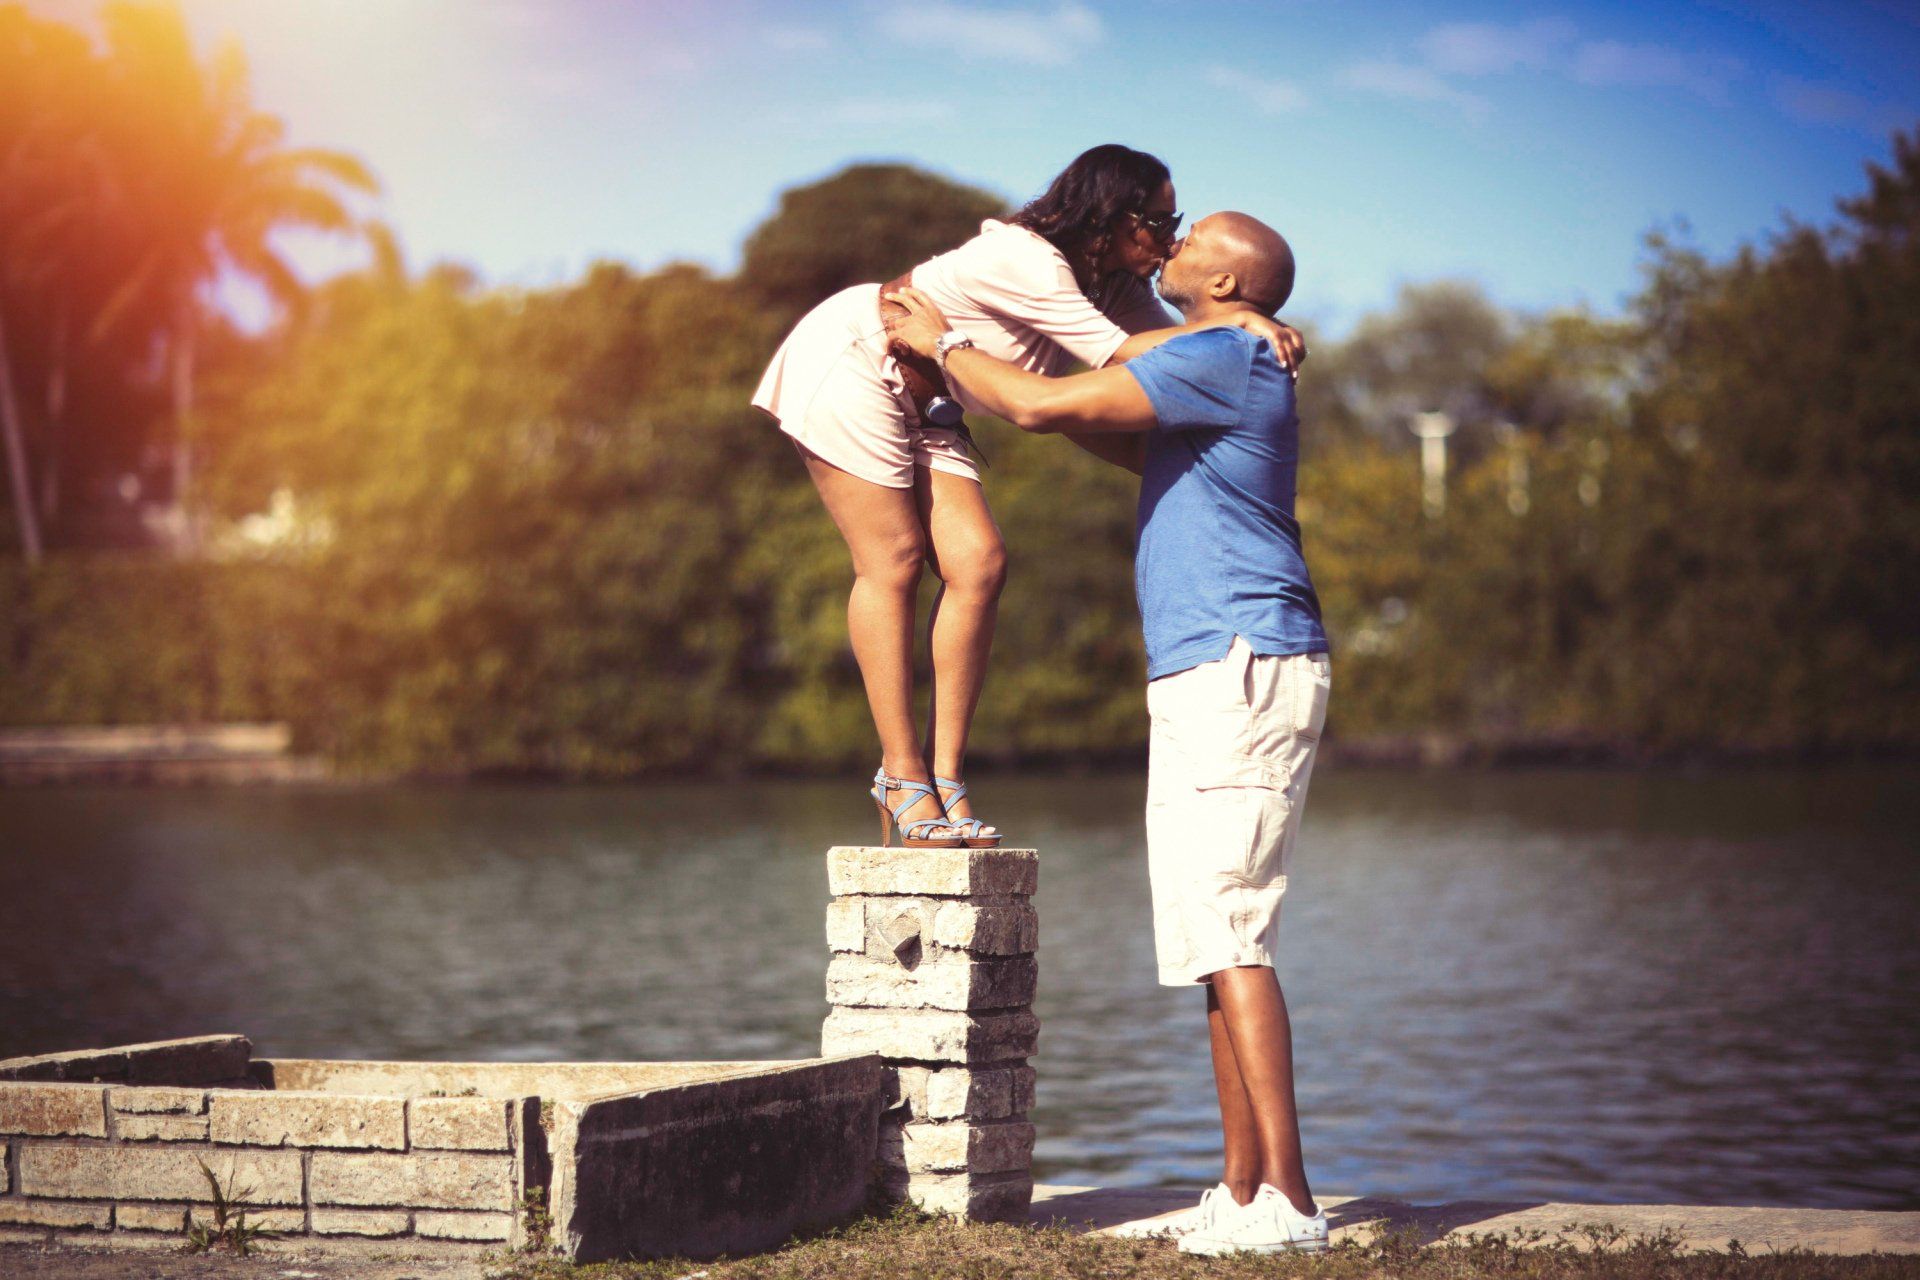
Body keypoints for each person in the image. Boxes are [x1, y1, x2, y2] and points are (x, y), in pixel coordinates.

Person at [883, 211, 1331, 1255]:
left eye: (1190, 239)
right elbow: (1088, 421)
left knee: (1234, 930)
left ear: (1223, 277)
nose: (1167, 249)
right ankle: (1242, 1190)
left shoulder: (1225, 354)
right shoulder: (1213, 360)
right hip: (1202, 666)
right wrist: (996, 362)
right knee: (1210, 939)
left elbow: (1041, 410)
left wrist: (942, 339)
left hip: (1240, 660)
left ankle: (1296, 1207)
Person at [751, 146, 1304, 850]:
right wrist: (1243, 321)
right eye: (1159, 222)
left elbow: (1180, 354)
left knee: (979, 563)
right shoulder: (1031, 261)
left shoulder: (1112, 283)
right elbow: (1141, 357)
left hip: (935, 400)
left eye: (1178, 225)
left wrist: (1240, 320)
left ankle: (944, 781)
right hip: (856, 357)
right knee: (891, 559)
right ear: (1111, 217)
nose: (1167, 241)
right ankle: (899, 777)